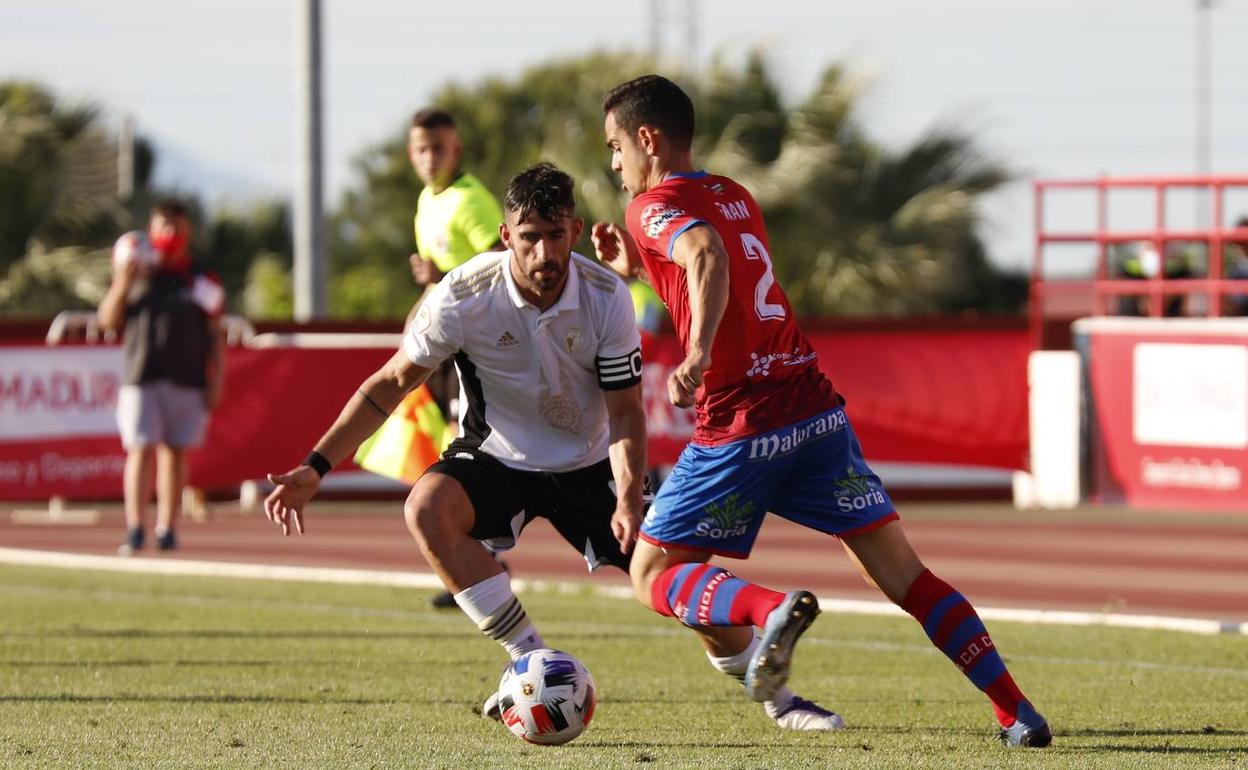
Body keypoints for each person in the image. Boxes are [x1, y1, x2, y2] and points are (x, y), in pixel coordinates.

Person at [591, 75, 1051, 747]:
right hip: (815, 411)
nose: (614, 165)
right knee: (906, 577)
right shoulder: (734, 194)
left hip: (743, 422)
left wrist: (693, 354)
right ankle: (1017, 711)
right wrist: (640, 268)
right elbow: (723, 273)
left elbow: (705, 255)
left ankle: (768, 609)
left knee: (651, 574)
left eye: (614, 148)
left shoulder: (652, 207)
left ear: (647, 139)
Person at [263, 163, 647, 717]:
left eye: (556, 235)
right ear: (505, 237)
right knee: (426, 508)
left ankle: (776, 689)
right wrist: (315, 467)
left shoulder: (607, 294)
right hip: (495, 456)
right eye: (530, 238)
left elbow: (628, 412)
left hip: (588, 460)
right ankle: (528, 662)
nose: (544, 253)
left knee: (667, 569)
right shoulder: (463, 294)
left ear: (577, 231)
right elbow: (390, 384)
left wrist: (630, 496)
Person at [361, 108, 508, 608]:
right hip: (445, 342)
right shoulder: (428, 200)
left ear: (456, 149)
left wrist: (440, 273)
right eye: (422, 149)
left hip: (476, 344)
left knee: (471, 446)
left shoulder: (472, 201)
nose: (430, 158)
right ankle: (473, 552)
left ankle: (483, 550)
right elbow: (443, 279)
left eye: (439, 148)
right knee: (450, 440)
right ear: (411, 154)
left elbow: (502, 265)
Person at [97, 199, 226, 555]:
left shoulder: (200, 276)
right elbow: (107, 320)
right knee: (140, 449)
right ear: (152, 229)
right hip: (142, 374)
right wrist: (123, 281)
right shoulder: (137, 271)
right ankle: (135, 527)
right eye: (163, 225)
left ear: (187, 230)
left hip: (187, 376)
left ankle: (168, 527)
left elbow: (216, 331)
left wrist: (218, 377)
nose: (170, 233)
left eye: (177, 226)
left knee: (176, 453)